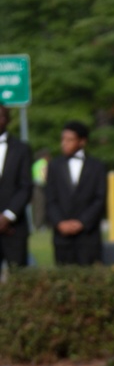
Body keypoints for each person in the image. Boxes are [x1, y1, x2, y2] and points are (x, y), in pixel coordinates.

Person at [45, 122, 107, 267]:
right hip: (62, 236)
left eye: (69, 140)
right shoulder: (54, 166)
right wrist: (60, 222)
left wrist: (82, 222)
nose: (64, 143)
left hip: (88, 235)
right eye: (62, 139)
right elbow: (50, 198)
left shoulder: (97, 166)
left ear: (82, 141)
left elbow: (100, 198)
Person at [0, 104, 33, 272]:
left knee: (18, 279)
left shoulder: (22, 149)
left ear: (7, 120)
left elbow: (26, 186)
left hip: (14, 227)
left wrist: (8, 216)